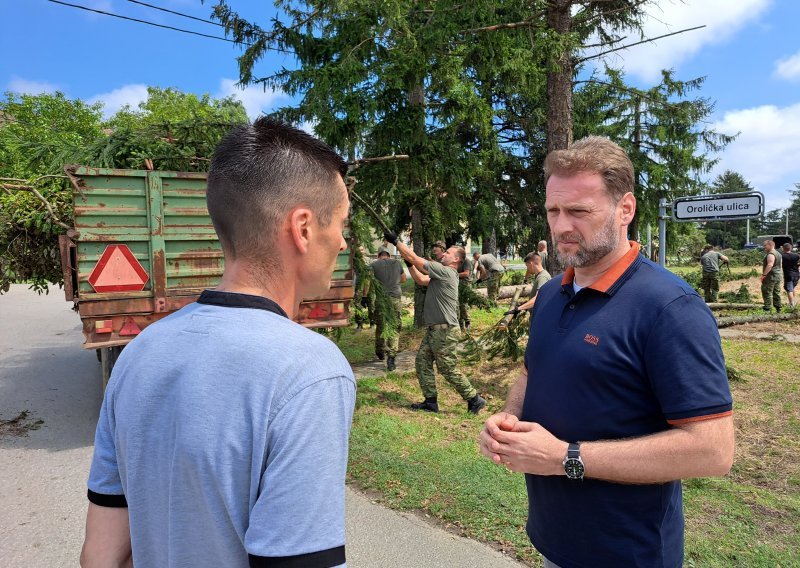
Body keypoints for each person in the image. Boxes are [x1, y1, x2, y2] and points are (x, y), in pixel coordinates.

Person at [81, 118, 356, 568]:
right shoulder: (310, 371)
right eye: (341, 223)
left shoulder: (139, 353)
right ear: (303, 228)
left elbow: (101, 556)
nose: (342, 240)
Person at [479, 136, 734, 568]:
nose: (560, 226)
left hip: (626, 552)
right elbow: (531, 371)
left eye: (578, 211)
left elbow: (712, 450)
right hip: (553, 540)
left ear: (625, 209)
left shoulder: (669, 307)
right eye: (553, 211)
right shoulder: (551, 295)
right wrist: (510, 422)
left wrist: (565, 459)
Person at [385, 232, 486, 414]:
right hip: (434, 331)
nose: (444, 254)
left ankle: (474, 398)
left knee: (447, 368)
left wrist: (396, 242)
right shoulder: (442, 274)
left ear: (456, 259)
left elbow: (418, 260)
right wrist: (409, 263)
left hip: (445, 332)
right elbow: (421, 280)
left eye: (448, 252)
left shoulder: (447, 271)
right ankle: (430, 402)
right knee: (422, 362)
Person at [369, 248, 407, 370]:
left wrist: (365, 296)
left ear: (378, 255)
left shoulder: (374, 264)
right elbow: (404, 279)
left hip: (381, 300)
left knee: (381, 325)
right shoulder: (397, 263)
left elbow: (368, 281)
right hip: (395, 298)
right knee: (394, 327)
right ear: (389, 255)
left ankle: (380, 351)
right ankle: (391, 357)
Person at [761, 239, 783, 312]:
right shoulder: (778, 253)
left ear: (770, 245)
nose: (764, 247)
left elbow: (770, 265)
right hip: (778, 276)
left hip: (771, 277)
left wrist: (764, 275)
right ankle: (778, 308)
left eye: (765, 245)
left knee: (767, 290)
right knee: (777, 292)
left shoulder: (771, 254)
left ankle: (767, 308)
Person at [457, 251, 475, 331]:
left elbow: (466, 274)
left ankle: (467, 322)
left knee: (463, 305)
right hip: (458, 284)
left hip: (465, 285)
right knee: (458, 305)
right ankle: (460, 324)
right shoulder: (457, 261)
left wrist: (453, 274)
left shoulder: (466, 261)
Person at [780, 242, 799, 308]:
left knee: (789, 290)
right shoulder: (796, 255)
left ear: (783, 248)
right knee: (792, 288)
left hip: (788, 275)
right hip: (796, 274)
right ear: (791, 248)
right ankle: (794, 302)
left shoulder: (782, 256)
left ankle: (792, 305)